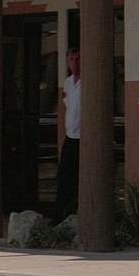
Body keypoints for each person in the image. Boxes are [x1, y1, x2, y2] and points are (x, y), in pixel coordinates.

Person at [52, 48, 81, 225]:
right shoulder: (68, 83)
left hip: (84, 138)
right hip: (71, 137)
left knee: (79, 179)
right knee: (64, 177)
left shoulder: (87, 82)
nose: (74, 63)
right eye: (71, 59)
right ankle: (60, 217)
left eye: (77, 59)